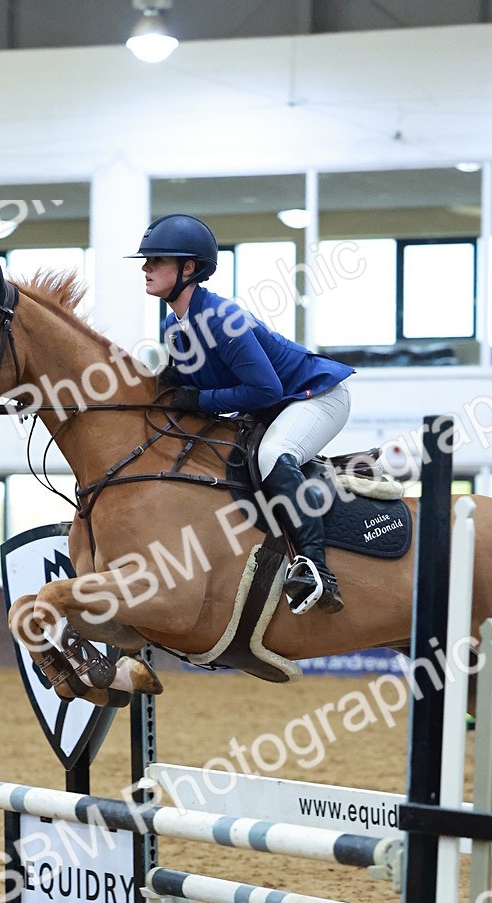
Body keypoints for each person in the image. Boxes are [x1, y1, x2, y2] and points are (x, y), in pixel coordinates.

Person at [130, 213, 354, 615]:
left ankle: (317, 570)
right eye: (147, 261)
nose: (146, 268)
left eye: (156, 261)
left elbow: (263, 388)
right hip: (274, 405)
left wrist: (197, 401)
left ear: (188, 268)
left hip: (315, 397)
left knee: (272, 456)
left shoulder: (222, 319)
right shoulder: (174, 325)